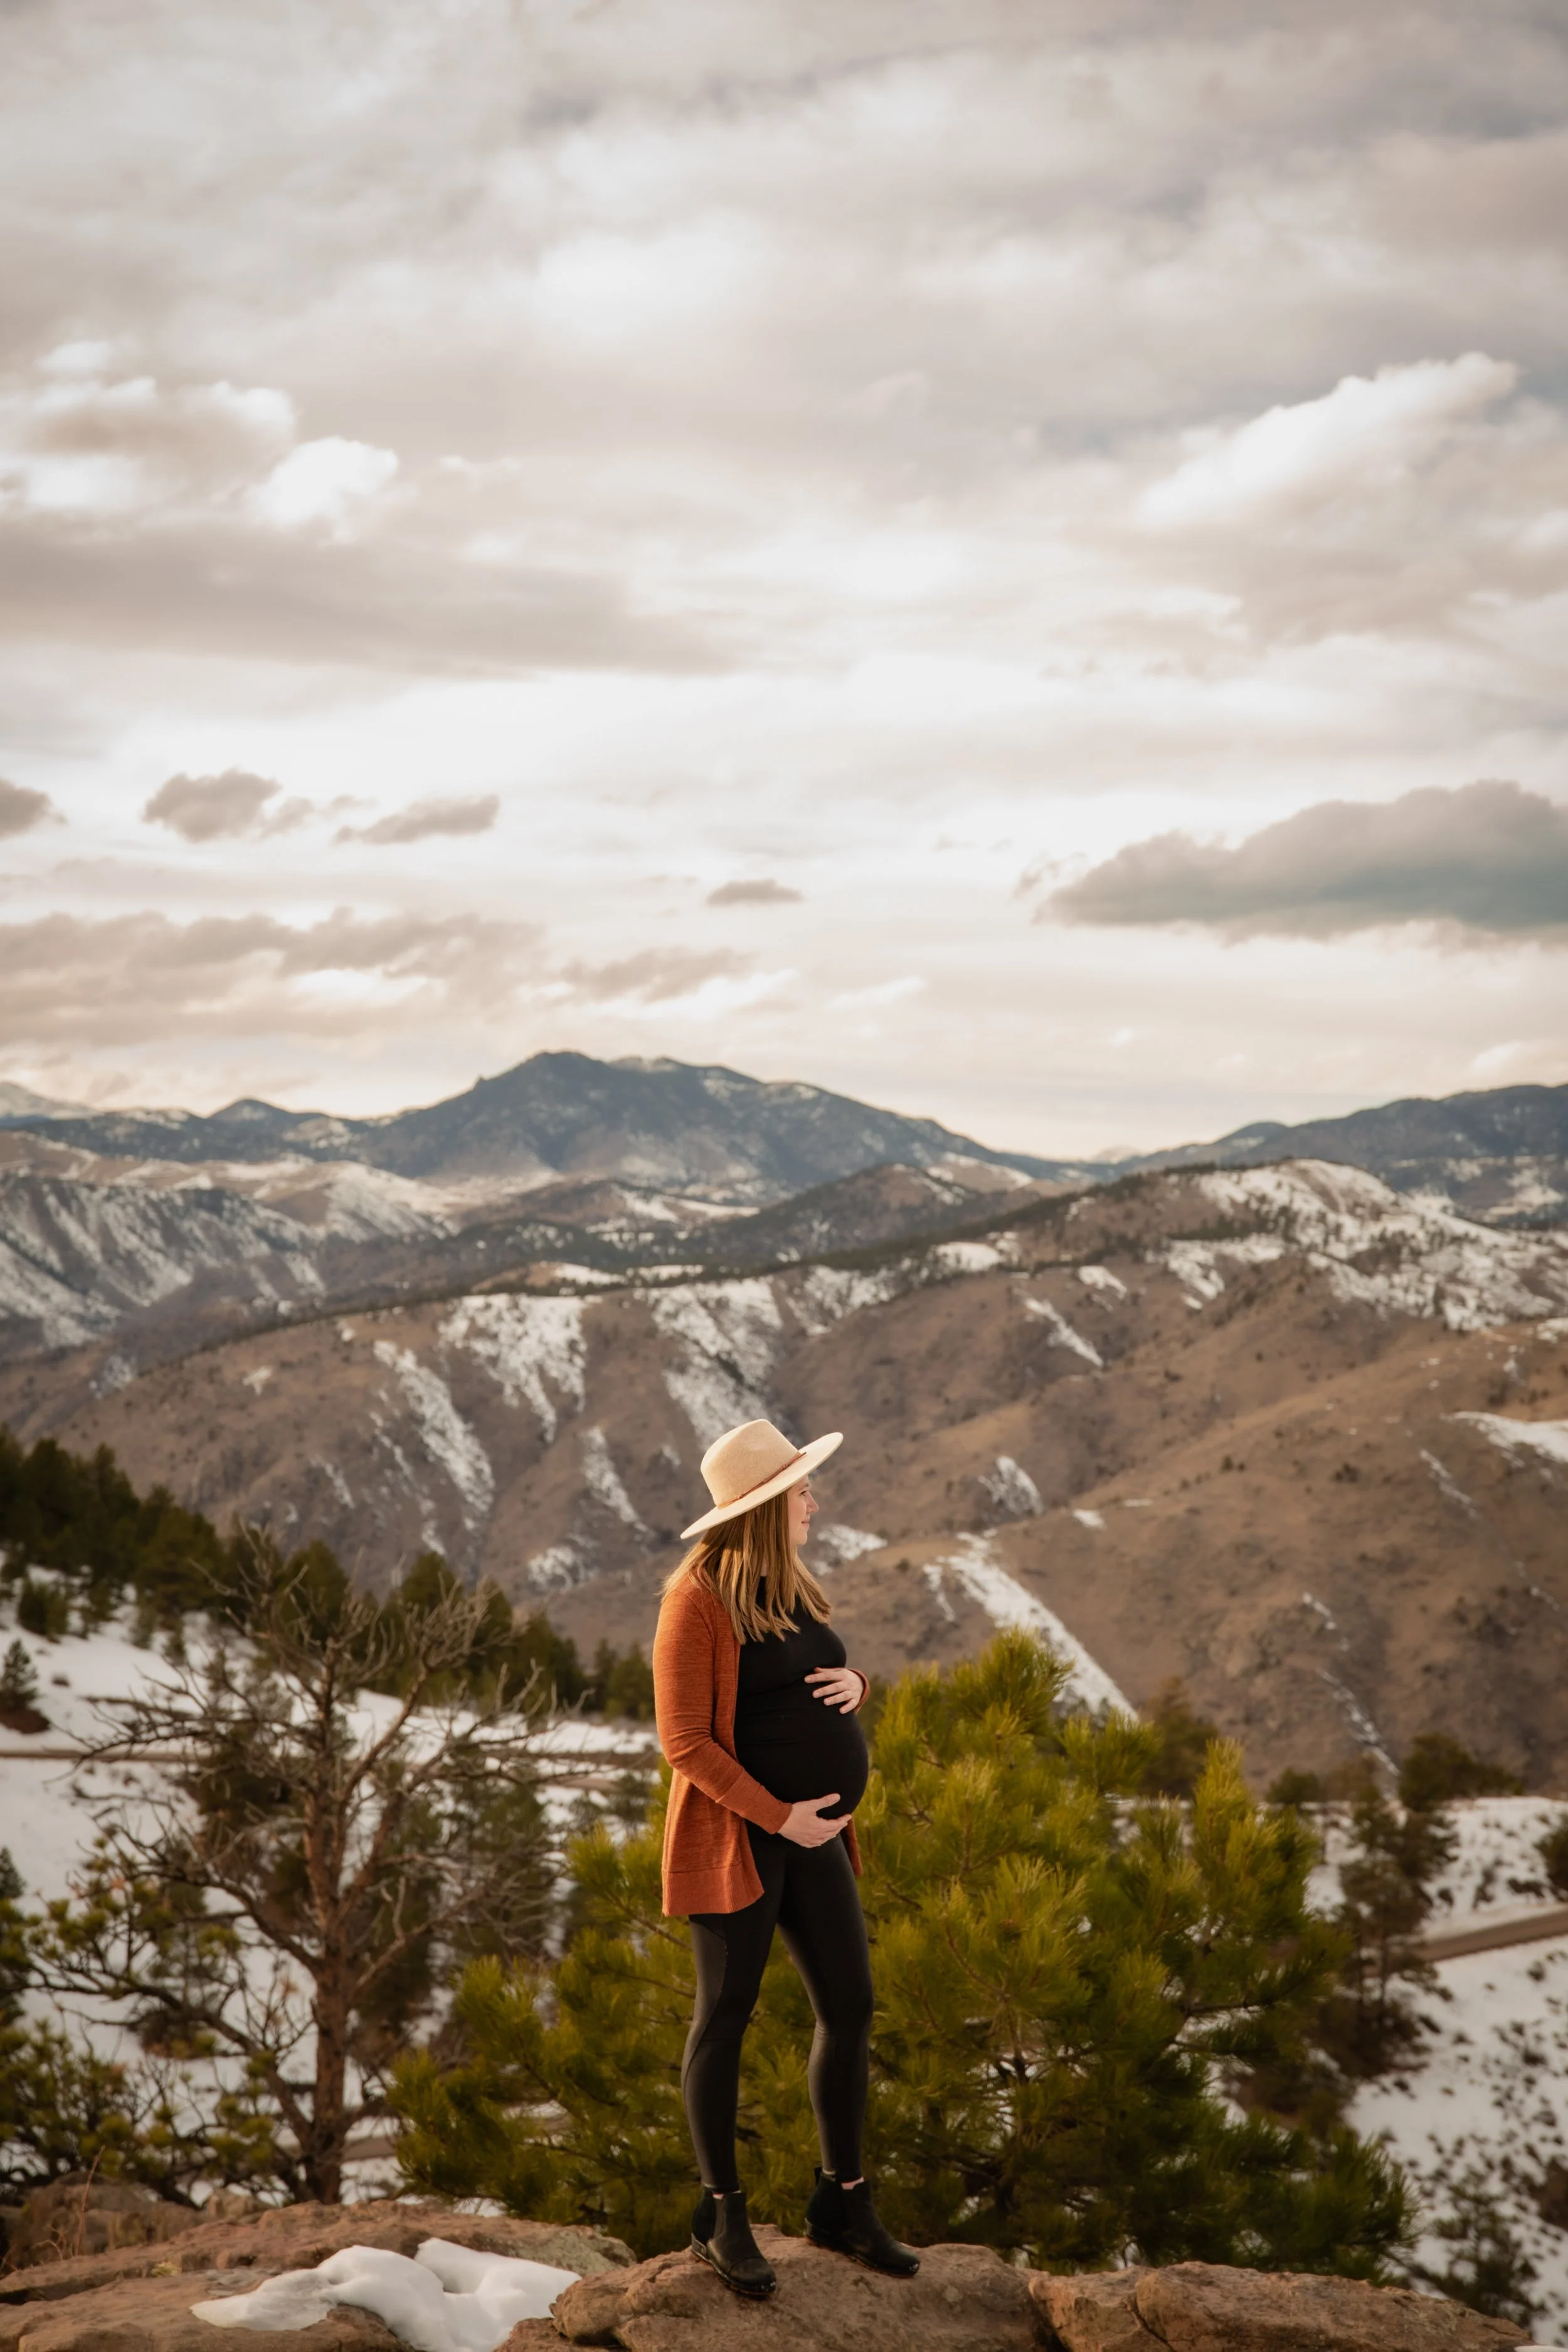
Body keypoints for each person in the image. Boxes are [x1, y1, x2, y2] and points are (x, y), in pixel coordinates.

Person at [652, 1416, 920, 2301]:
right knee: (724, 2016)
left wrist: (858, 1686)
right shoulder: (696, 1600)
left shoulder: (789, 1584)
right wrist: (779, 1816)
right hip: (740, 1838)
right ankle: (720, 2215)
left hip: (816, 1837)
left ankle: (843, 2201)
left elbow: (810, 1680)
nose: (815, 1501)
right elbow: (683, 1741)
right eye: (803, 1490)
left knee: (850, 2005)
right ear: (766, 1506)